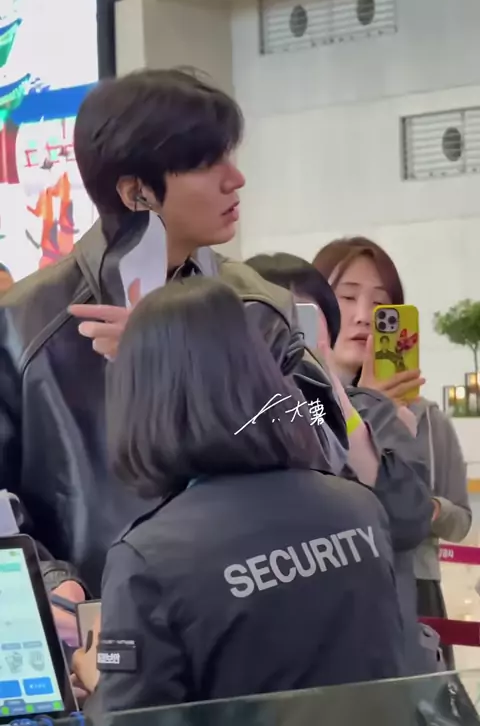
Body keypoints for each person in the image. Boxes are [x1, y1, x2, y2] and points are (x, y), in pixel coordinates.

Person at [0, 69, 349, 625]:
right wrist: (46, 579)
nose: (236, 179)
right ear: (135, 191)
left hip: (257, 619)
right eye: (208, 162)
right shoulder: (25, 326)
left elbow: (328, 441)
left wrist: (199, 366)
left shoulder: (259, 306)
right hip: (102, 630)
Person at [72, 278, 405, 712]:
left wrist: (101, 682)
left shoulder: (147, 559)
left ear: (140, 398)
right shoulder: (359, 508)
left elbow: (131, 719)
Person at [246, 252, 440, 674]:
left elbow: (407, 517)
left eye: (306, 323)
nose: (363, 316)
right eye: (348, 297)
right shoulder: (235, 425)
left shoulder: (377, 414)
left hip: (376, 664)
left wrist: (340, 397)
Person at [313, 236, 471, 670]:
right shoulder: (299, 409)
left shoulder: (426, 416)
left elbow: (461, 519)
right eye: (347, 297)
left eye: (381, 304)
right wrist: (366, 407)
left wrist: (428, 509)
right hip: (328, 593)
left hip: (415, 591)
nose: (364, 316)